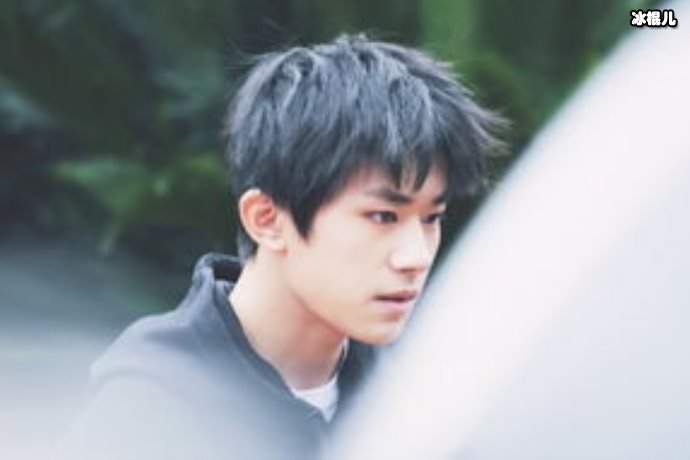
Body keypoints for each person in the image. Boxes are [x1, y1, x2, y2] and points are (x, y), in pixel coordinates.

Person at [56, 34, 503, 460]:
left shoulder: (420, 388)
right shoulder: (150, 408)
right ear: (266, 219)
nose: (415, 257)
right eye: (383, 216)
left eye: (431, 218)